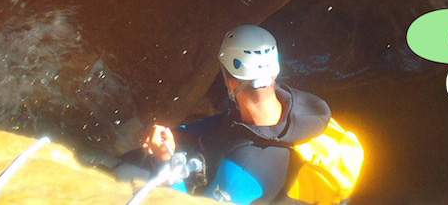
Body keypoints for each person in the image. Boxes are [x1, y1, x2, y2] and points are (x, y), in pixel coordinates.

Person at [114, 25, 332, 204]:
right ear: (274, 70)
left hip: (229, 185)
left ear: (231, 82)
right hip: (221, 163)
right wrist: (174, 136)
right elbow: (227, 125)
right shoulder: (290, 104)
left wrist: (164, 161)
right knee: (132, 161)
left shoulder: (246, 169)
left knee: (119, 178)